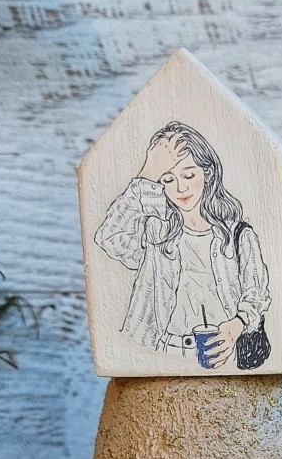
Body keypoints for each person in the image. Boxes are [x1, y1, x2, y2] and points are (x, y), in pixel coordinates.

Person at [95, 121, 271, 369]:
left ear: (208, 173)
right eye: (167, 179)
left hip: (224, 358)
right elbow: (109, 237)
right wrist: (147, 173)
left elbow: (257, 294)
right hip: (160, 355)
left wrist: (236, 325)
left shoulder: (238, 235)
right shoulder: (155, 231)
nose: (181, 188)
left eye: (189, 175)